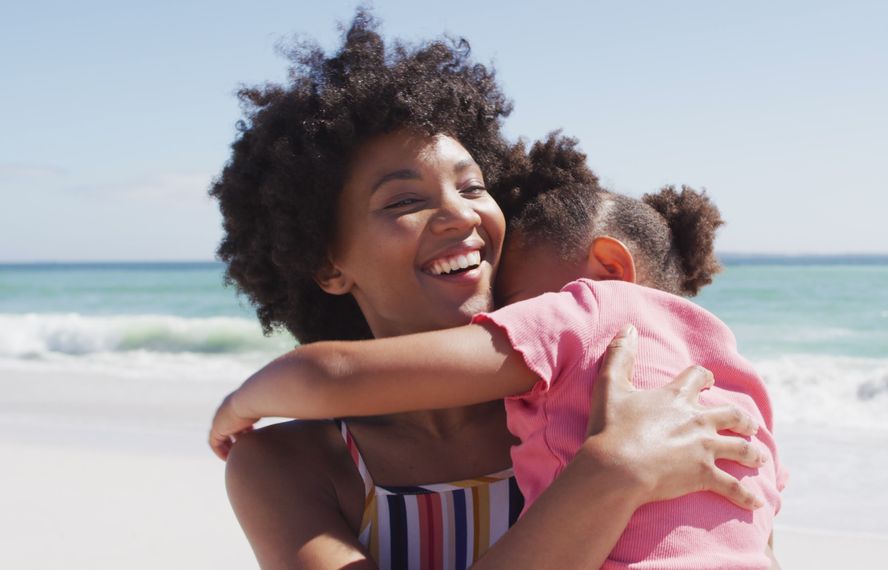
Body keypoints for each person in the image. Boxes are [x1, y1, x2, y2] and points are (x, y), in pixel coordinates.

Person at [210, 9, 774, 569]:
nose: (460, 215)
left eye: (473, 186)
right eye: (405, 201)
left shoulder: (612, 402)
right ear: (328, 264)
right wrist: (611, 473)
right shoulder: (288, 464)